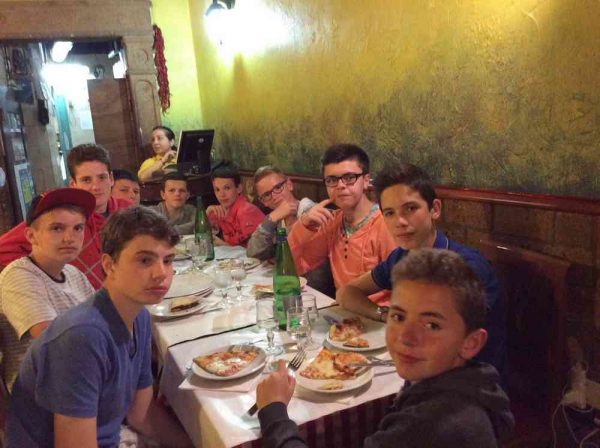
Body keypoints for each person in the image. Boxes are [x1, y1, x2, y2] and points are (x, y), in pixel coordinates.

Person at [255, 249, 514, 448]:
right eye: (398, 316)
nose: (406, 337)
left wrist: (273, 411)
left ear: (471, 343)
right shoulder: (464, 384)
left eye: (432, 325)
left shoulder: (432, 423)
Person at [6, 206, 193, 448]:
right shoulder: (81, 337)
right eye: (145, 260)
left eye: (167, 260)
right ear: (109, 264)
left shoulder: (140, 318)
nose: (161, 273)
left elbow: (141, 414)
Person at [336, 162, 506, 378]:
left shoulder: (466, 268)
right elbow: (346, 293)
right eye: (389, 213)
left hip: (470, 383)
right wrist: (383, 314)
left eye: (410, 208)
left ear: (435, 209)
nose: (399, 222)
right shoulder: (402, 257)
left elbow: (454, 349)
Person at [0, 188, 96, 390]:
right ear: (31, 235)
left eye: (78, 228)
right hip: (43, 391)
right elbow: (55, 341)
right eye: (57, 228)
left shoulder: (73, 273)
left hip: (83, 376)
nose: (70, 238)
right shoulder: (18, 275)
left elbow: (104, 321)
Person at [0, 143, 131, 289]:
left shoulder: (127, 210)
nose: (96, 186)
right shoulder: (60, 214)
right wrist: (44, 277)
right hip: (78, 298)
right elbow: (3, 249)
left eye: (102, 177)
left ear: (111, 179)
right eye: (86, 180)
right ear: (73, 184)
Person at [287, 144, 395, 297]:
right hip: (343, 308)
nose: (340, 186)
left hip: (377, 311)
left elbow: (401, 286)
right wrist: (303, 224)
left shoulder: (386, 223)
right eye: (332, 180)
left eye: (349, 178)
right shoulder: (331, 221)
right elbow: (293, 268)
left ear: (365, 180)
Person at [246, 166, 315, 260]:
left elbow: (303, 255)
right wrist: (271, 219)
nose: (274, 197)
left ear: (289, 185)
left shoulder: (308, 209)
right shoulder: (276, 220)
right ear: (263, 202)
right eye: (267, 195)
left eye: (278, 187)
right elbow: (252, 253)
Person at [207, 162, 264, 247]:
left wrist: (223, 244)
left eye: (227, 188)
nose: (221, 194)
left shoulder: (246, 211)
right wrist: (206, 214)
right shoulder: (220, 210)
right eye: (217, 190)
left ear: (239, 188)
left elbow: (254, 250)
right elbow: (200, 237)